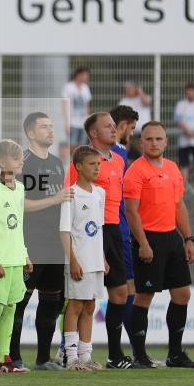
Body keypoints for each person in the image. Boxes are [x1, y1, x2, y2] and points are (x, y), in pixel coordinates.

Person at [123, 122, 194, 368]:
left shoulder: (173, 168)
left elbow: (179, 206)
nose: (154, 143)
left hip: (172, 239)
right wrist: (143, 243)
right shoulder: (136, 171)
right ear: (141, 142)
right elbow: (132, 212)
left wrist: (187, 239)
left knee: (182, 294)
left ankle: (175, 354)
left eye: (159, 139)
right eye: (149, 139)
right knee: (144, 297)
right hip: (149, 239)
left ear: (166, 141)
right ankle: (140, 355)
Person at [66, 112, 133, 369]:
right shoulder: (81, 161)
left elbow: (118, 200)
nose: (114, 129)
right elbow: (71, 198)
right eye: (107, 126)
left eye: (114, 126)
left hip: (113, 231)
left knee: (117, 293)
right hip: (86, 234)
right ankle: (69, 352)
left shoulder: (118, 159)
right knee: (77, 299)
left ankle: (113, 355)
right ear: (93, 134)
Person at [14, 112, 71, 371]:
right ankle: (11, 356)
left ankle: (42, 359)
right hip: (30, 243)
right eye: (44, 127)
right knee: (19, 302)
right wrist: (54, 200)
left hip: (54, 243)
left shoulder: (58, 163)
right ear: (30, 133)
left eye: (51, 126)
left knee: (51, 301)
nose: (50, 130)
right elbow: (18, 204)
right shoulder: (23, 163)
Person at [0, 140, 32, 373]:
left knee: (11, 308)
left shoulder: (20, 188)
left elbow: (19, 226)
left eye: (21, 157)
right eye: (16, 157)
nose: (21, 161)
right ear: (2, 162)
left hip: (16, 259)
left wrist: (25, 255)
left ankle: (5, 356)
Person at [59, 146, 107, 371]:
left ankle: (86, 357)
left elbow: (98, 229)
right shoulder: (71, 194)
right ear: (78, 166)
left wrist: (103, 258)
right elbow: (65, 231)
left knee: (90, 306)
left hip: (96, 260)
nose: (97, 168)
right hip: (79, 260)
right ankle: (70, 356)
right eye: (92, 164)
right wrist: (73, 260)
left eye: (99, 164)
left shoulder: (100, 193)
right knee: (75, 305)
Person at [109, 105, 140, 359]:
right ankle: (127, 351)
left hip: (120, 227)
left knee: (127, 288)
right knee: (124, 289)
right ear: (123, 126)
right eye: (131, 128)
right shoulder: (116, 152)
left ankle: (133, 350)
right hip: (115, 228)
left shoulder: (120, 152)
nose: (132, 133)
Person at [62, 67, 92, 149]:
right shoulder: (69, 87)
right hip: (72, 122)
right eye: (85, 75)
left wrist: (88, 120)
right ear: (79, 75)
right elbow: (64, 105)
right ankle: (70, 161)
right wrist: (66, 123)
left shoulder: (85, 88)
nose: (87, 77)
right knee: (71, 145)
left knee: (82, 145)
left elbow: (87, 105)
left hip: (83, 122)